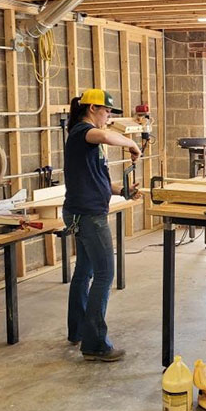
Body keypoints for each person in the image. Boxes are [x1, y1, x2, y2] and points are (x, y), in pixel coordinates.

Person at [63, 88, 141, 362]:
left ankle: (78, 331)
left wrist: (123, 190)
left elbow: (99, 182)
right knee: (105, 274)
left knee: (84, 271)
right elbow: (106, 134)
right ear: (93, 108)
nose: (109, 116)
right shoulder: (82, 132)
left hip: (84, 212)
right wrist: (131, 144)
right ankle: (95, 344)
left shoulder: (90, 144)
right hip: (89, 216)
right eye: (107, 111)